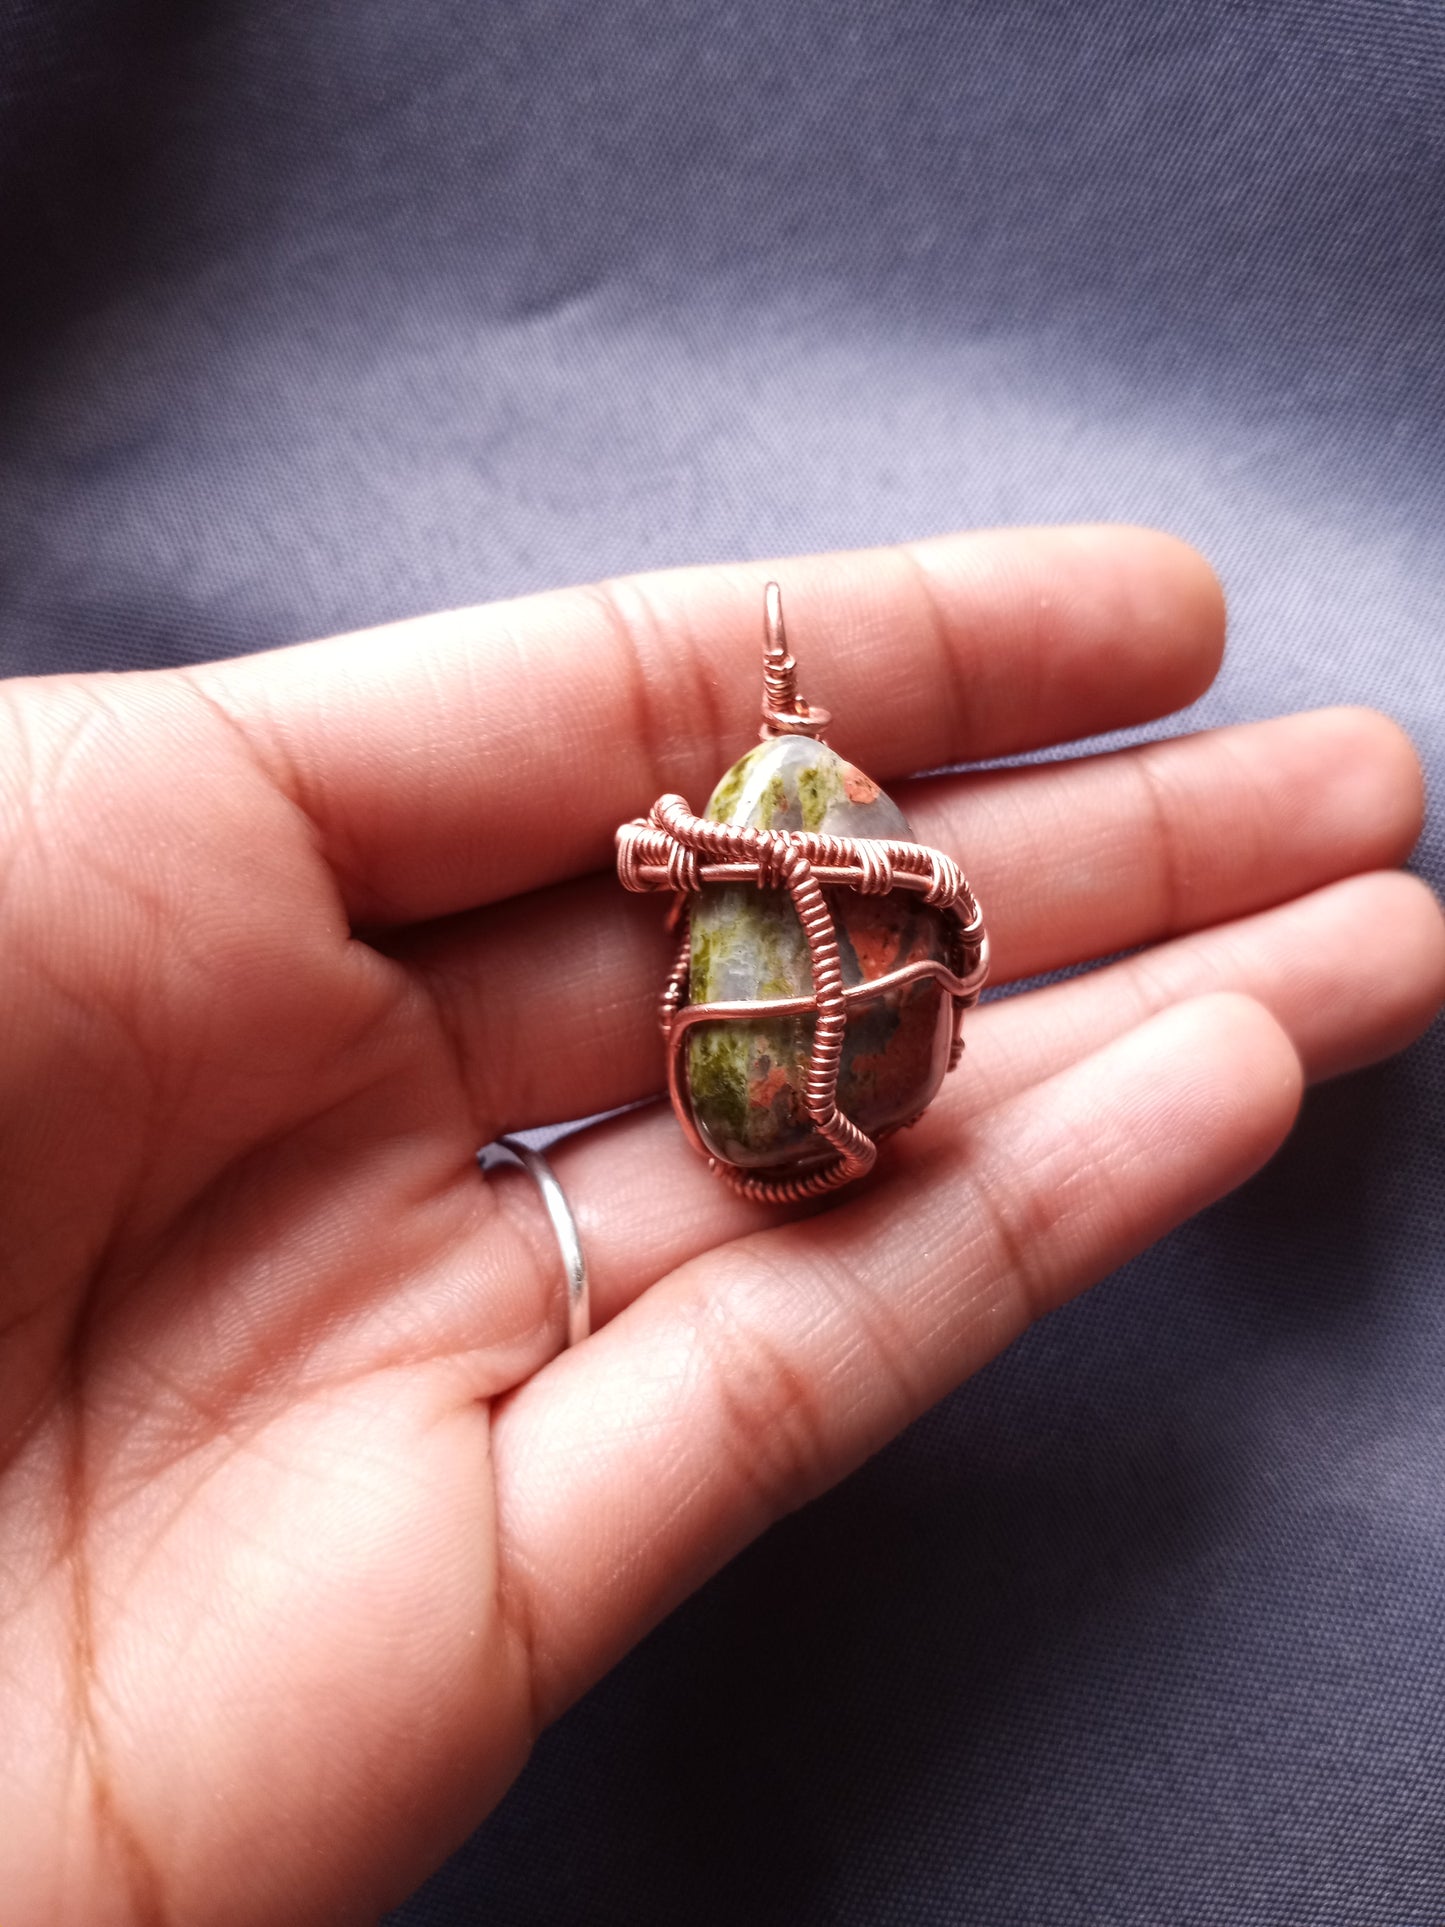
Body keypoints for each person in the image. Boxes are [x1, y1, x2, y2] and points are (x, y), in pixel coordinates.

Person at [0, 524, 1440, 1926]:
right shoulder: (763, 831)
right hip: (816, 1067)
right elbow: (918, 927)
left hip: (839, 1070)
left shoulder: (792, 824)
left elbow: (933, 926)